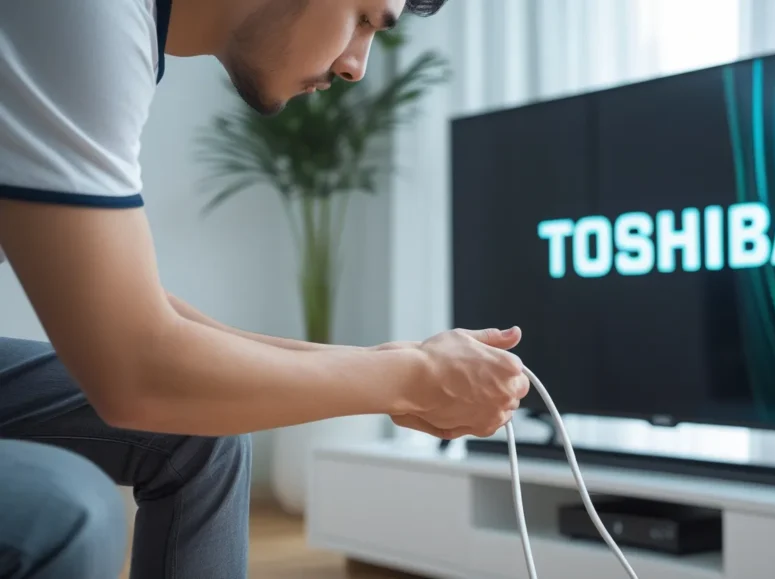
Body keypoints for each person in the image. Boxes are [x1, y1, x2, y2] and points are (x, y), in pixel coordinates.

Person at [0, 1, 531, 578]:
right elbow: (136, 372)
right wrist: (413, 379)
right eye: (362, 18)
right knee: (64, 512)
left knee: (204, 431)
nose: (356, 67)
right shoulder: (89, 17)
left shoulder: (122, 32)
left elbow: (126, 309)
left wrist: (388, 366)